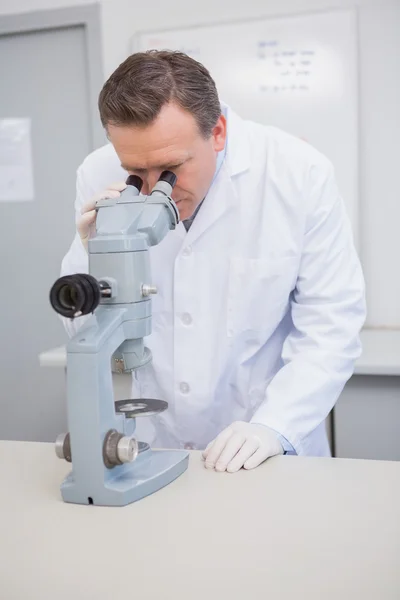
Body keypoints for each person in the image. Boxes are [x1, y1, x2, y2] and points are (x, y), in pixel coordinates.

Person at [60, 50, 366, 473]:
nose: (153, 190)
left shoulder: (297, 174)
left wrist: (274, 427)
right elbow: (82, 331)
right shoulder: (96, 172)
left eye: (170, 169)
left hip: (265, 446)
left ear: (218, 131)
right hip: (151, 443)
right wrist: (91, 255)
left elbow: (331, 327)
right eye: (136, 172)